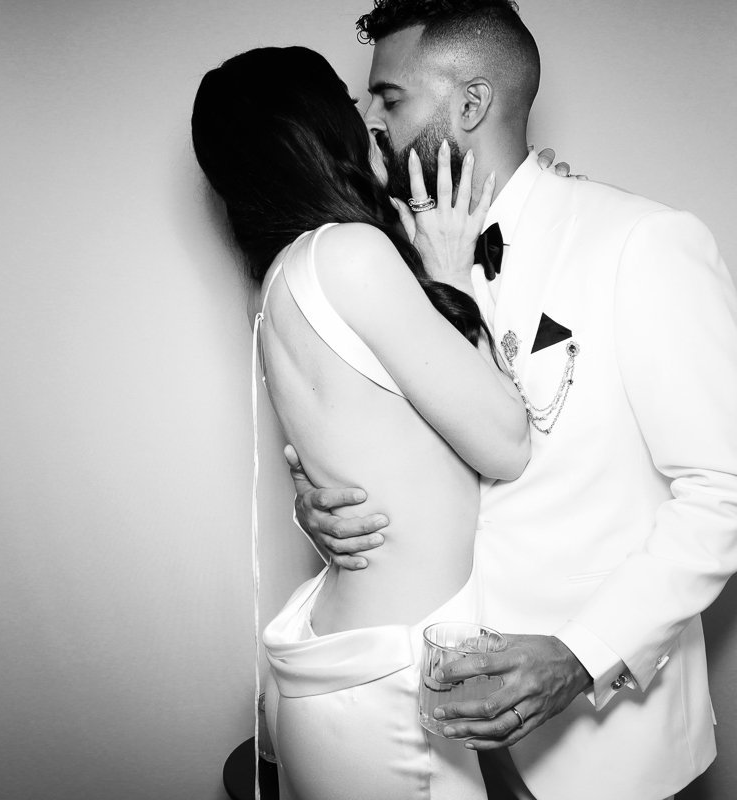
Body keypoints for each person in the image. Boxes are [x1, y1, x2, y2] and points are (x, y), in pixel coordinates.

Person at [288, 1, 737, 799]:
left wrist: (582, 654)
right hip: (436, 746)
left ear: (469, 104)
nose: (365, 118)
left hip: (607, 753)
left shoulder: (641, 242)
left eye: (388, 98)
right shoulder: (375, 261)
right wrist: (317, 506)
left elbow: (724, 492)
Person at [192, 44, 541, 799]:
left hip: (354, 668)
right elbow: (507, 444)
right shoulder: (350, 254)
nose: (374, 127)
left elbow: (379, 453)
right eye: (355, 113)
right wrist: (451, 277)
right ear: (319, 133)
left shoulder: (282, 279)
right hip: (388, 689)